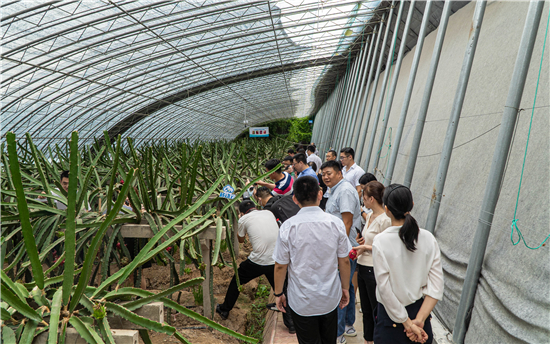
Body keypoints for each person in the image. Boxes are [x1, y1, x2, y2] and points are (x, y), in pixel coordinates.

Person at [272, 176, 351, 344]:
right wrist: (345, 288)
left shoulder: (289, 226)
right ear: (320, 194)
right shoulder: (335, 223)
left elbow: (280, 266)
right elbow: (344, 260)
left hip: (302, 300)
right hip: (329, 297)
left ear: (294, 198)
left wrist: (279, 293)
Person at [372, 184, 444, 344]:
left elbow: (385, 290)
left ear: (386, 209)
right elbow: (436, 286)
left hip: (391, 320)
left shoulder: (381, 241)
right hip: (420, 314)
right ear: (411, 205)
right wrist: (419, 320)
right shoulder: (428, 238)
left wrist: (407, 323)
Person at [216, 200, 280, 320]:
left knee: (237, 281)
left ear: (241, 213)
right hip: (276, 258)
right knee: (279, 285)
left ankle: (224, 309)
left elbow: (241, 240)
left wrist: (242, 220)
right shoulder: (268, 213)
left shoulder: (243, 219)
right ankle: (289, 319)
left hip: (258, 261)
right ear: (255, 207)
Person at [320, 160, 362, 343]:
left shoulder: (344, 190)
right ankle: (348, 325)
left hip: (345, 248)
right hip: (346, 247)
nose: (326, 177)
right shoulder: (336, 189)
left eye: (329, 173)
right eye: (323, 174)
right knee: (348, 287)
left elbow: (347, 223)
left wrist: (339, 252)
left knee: (339, 290)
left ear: (339, 173)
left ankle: (337, 334)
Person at [351, 181, 391, 344]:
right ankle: (368, 339)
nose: (363, 201)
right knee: (366, 310)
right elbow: (370, 239)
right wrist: (362, 242)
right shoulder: (370, 216)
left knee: (376, 309)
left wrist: (366, 246)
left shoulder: (385, 220)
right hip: (363, 266)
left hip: (374, 269)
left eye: (364, 198)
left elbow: (387, 247)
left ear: (372, 199)